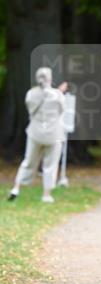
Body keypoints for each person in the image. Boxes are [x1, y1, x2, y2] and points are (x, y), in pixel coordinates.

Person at [8, 67, 68, 203]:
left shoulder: (31, 94)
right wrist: (59, 91)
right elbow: (62, 110)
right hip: (53, 134)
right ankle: (46, 194)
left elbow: (30, 108)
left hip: (35, 132)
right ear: (50, 79)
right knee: (50, 165)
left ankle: (16, 188)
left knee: (28, 161)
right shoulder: (57, 95)